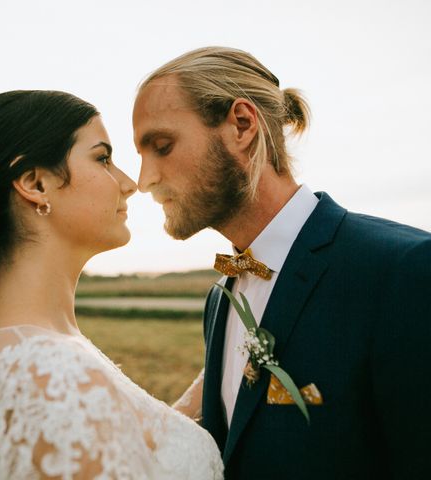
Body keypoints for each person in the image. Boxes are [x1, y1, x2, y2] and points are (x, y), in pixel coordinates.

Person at [132, 46, 431, 479]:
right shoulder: (221, 298)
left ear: (241, 125)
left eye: (161, 146)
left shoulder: (404, 271)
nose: (145, 180)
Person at [0, 90, 223, 479]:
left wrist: (224, 363)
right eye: (103, 158)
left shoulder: (31, 352)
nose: (128, 183)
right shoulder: (46, 373)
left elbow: (127, 446)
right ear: (35, 184)